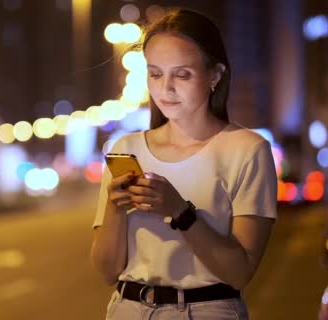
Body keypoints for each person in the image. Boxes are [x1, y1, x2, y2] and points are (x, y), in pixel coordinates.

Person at [90, 8, 277, 320]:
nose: (166, 88)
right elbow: (108, 271)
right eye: (155, 73)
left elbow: (239, 272)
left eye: (182, 74)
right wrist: (114, 207)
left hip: (206, 310)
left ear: (215, 76)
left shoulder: (248, 150)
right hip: (127, 308)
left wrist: (179, 211)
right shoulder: (126, 148)